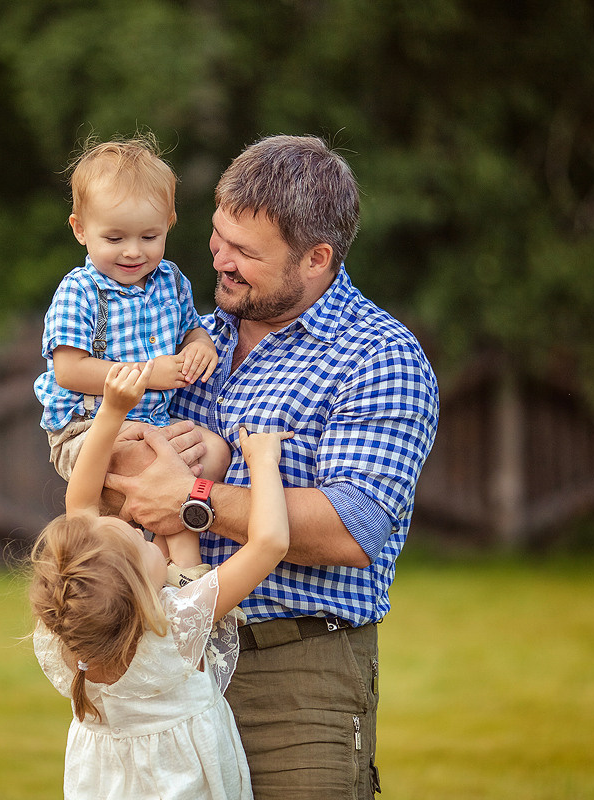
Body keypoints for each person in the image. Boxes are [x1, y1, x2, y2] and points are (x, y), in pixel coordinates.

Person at [103, 135, 441, 799]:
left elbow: (352, 528)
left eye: (246, 252)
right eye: (218, 236)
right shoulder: (189, 338)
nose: (220, 260)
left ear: (317, 258)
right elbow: (116, 485)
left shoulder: (378, 356)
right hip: (163, 660)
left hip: (296, 675)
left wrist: (195, 496)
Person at [28, 359, 294, 800]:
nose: (139, 529)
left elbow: (82, 502)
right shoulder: (179, 621)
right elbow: (269, 543)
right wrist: (262, 462)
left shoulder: (75, 625)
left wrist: (113, 412)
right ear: (140, 589)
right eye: (137, 540)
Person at [33, 134, 230, 568]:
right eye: (114, 237)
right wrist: (148, 374)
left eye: (149, 236)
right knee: (159, 468)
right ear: (80, 229)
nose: (133, 251)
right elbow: (69, 370)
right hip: (89, 429)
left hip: (152, 425)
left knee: (215, 451)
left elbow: (191, 330)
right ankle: (189, 572)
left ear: (169, 224)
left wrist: (200, 345)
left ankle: (159, 558)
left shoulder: (171, 281)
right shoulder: (80, 291)